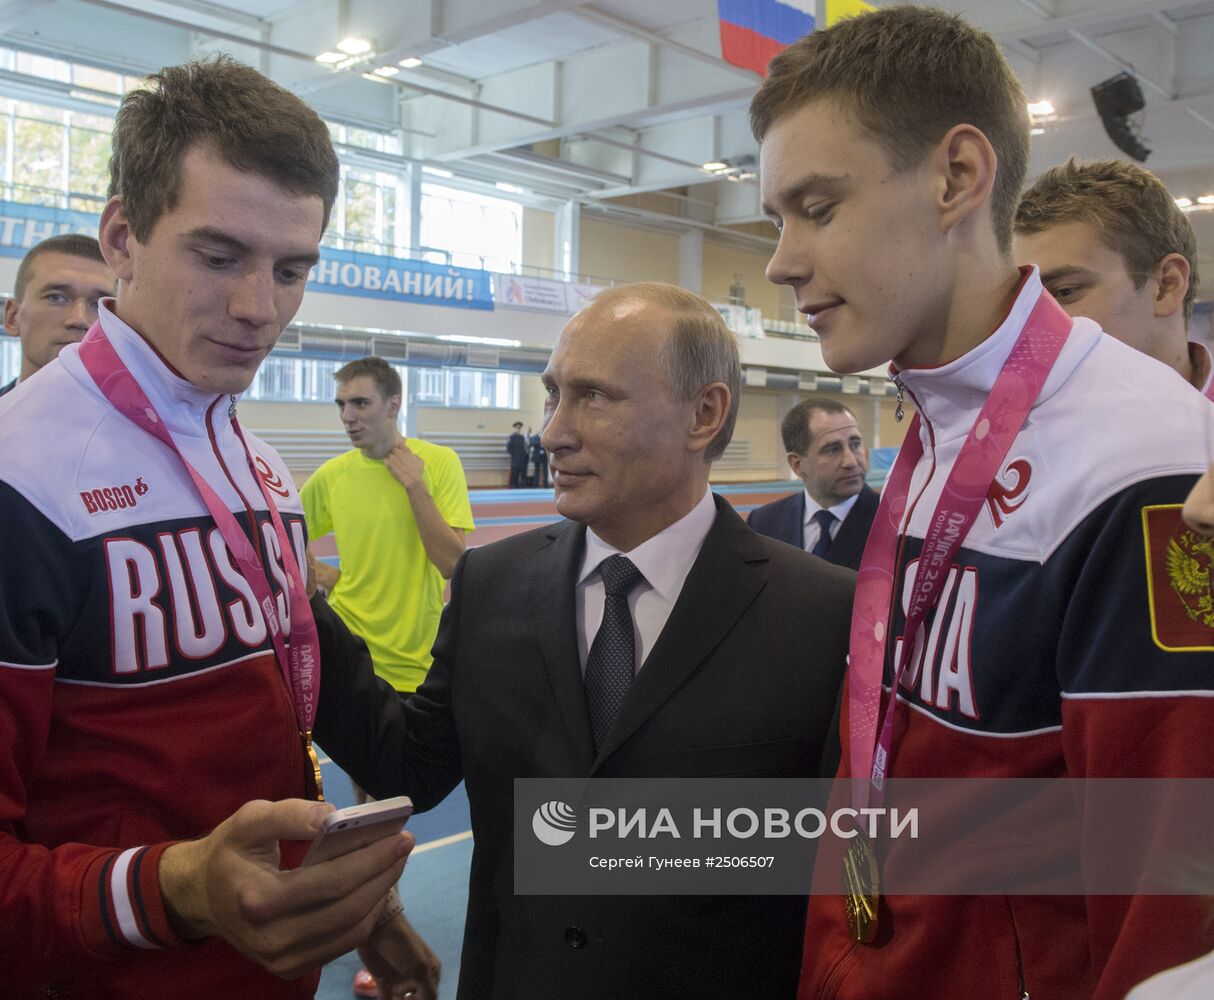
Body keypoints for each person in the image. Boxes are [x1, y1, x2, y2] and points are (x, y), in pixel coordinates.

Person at [752, 6, 1214, 999]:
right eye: (774, 219)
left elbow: (1164, 920)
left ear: (956, 177)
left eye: (816, 207)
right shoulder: (932, 420)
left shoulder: (1142, 464)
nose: (780, 260)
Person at [0, 57, 423, 1000]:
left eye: (292, 269)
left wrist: (358, 908)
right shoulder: (20, 480)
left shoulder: (263, 469)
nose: (259, 309)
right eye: (219, 255)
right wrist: (177, 889)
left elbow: (271, 735)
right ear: (123, 236)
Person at [312, 281, 855, 999]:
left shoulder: (821, 613)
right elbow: (408, 765)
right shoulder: (491, 587)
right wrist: (289, 609)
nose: (553, 432)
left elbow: (850, 860)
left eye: (594, 397)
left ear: (704, 414)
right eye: (552, 395)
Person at [1014, 157, 1212, 399]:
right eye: (1022, 302)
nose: (1028, 327)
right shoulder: (1007, 431)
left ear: (1166, 286)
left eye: (1065, 292)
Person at [747, 398, 877, 568]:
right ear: (797, 464)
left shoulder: (896, 523)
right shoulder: (762, 523)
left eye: (855, 444)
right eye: (833, 449)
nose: (851, 461)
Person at [1, 233, 115, 395]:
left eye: (97, 304)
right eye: (56, 298)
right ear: (12, 317)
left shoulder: (142, 419)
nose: (79, 319)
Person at [507, 419, 529, 487]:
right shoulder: (511, 437)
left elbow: (525, 448)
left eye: (520, 428)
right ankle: (514, 488)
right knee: (514, 477)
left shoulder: (522, 437)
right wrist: (515, 455)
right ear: (514, 428)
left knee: (522, 476)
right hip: (515, 461)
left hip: (522, 460)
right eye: (517, 428)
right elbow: (509, 449)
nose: (519, 429)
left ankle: (521, 490)